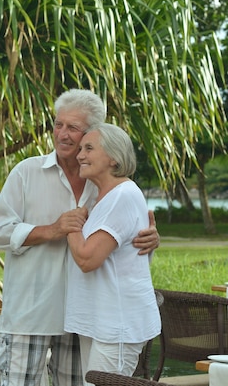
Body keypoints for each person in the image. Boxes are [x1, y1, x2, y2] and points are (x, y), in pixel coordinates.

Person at [0, 89, 160, 386]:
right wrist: (52, 230)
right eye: (58, 125)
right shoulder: (26, 172)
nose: (63, 134)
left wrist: (149, 239)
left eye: (73, 128)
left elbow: (120, 246)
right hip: (31, 314)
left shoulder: (104, 184)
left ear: (91, 134)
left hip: (82, 321)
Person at [65, 123, 161, 380]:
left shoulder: (121, 196)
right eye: (81, 148)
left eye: (89, 148)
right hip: (101, 320)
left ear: (114, 157)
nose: (80, 155)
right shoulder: (103, 197)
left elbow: (87, 258)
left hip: (116, 324)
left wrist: (71, 226)